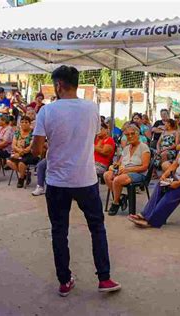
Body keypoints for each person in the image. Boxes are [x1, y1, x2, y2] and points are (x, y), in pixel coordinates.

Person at [31, 65, 121, 296]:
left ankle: (64, 281)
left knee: (59, 231)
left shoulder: (46, 111)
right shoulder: (92, 108)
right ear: (76, 84)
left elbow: (36, 149)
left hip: (58, 180)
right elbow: (86, 136)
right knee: (97, 228)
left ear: (58, 85)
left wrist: (51, 145)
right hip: (86, 179)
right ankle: (105, 278)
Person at [127, 125, 180, 228]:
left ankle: (153, 221)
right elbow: (175, 164)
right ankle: (145, 215)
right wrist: (165, 174)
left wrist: (178, 183)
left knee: (173, 192)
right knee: (161, 184)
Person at [104, 124, 150, 216]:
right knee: (107, 175)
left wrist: (127, 170)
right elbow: (120, 162)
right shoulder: (126, 148)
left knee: (117, 180)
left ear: (138, 134)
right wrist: (116, 165)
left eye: (132, 134)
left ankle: (116, 203)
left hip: (138, 173)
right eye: (127, 135)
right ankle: (120, 197)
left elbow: (145, 167)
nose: (130, 136)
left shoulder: (143, 147)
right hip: (124, 171)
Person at [6, 116, 39, 188]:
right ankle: (25, 174)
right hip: (18, 152)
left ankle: (21, 179)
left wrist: (19, 153)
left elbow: (30, 147)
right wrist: (18, 152)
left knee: (21, 163)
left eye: (26, 122)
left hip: (30, 154)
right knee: (9, 162)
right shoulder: (17, 132)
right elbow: (13, 145)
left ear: (30, 123)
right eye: (22, 122)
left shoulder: (33, 133)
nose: (24, 124)